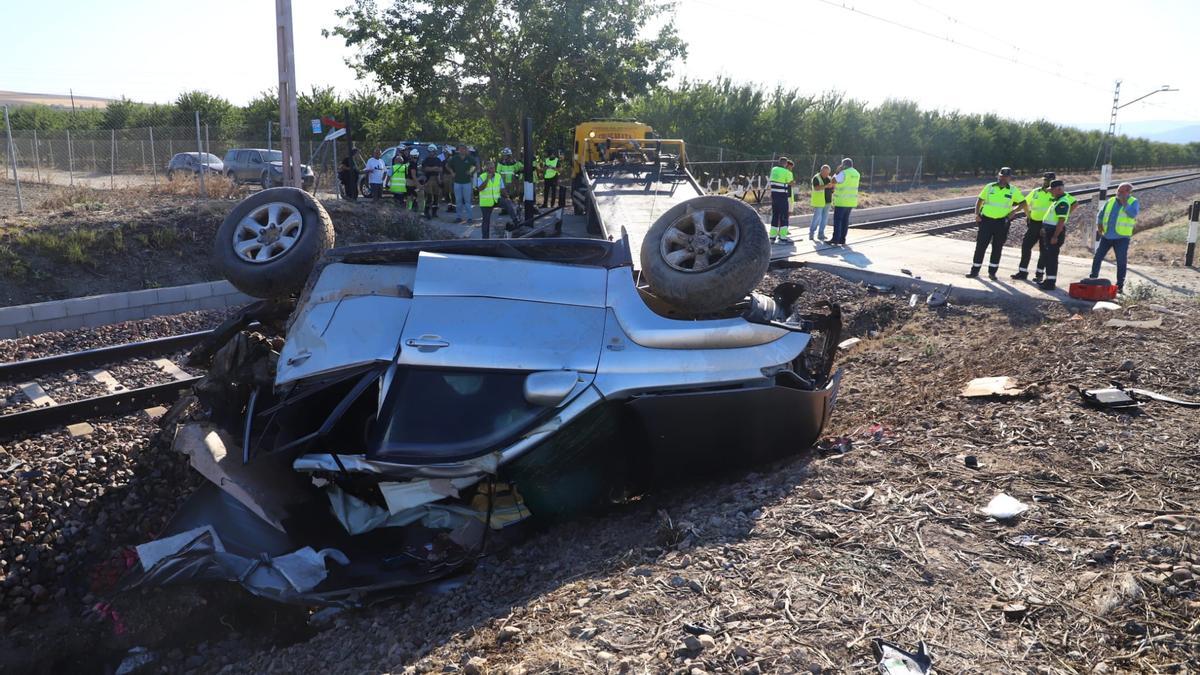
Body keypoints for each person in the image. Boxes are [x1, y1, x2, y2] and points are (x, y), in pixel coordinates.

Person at [966, 167, 1025, 279]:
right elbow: (980, 200)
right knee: (980, 246)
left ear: (1009, 178)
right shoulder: (990, 187)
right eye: (1002, 176)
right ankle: (974, 271)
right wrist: (977, 214)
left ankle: (992, 272)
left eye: (1006, 176)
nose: (1003, 178)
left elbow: (1023, 203)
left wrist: (1014, 211)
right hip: (986, 221)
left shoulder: (1013, 190)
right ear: (999, 176)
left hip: (1002, 222)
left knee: (997, 248)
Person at [1090, 182, 1140, 293]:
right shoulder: (1111, 201)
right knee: (1097, 257)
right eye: (1118, 190)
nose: (1119, 193)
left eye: (1122, 191)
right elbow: (1101, 215)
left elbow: (1133, 214)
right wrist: (1099, 226)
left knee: (1121, 261)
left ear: (1128, 192)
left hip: (1122, 238)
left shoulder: (1133, 202)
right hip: (1107, 236)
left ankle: (1119, 286)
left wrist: (1124, 203)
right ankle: (1093, 278)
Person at [1034, 179, 1078, 290]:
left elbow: (1061, 221)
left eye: (1052, 190)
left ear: (1058, 189)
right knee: (1048, 257)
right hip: (1049, 231)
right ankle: (1048, 280)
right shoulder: (1057, 200)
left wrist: (1055, 236)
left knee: (1051, 258)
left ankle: (1050, 283)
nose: (1050, 192)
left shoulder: (1062, 202)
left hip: (1053, 232)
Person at [1012, 172, 1056, 281]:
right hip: (1034, 223)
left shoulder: (1055, 195)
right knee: (1026, 246)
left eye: (1049, 180)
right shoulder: (1036, 192)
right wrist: (1028, 215)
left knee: (1043, 250)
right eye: (1045, 180)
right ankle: (1022, 272)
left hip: (1047, 225)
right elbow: (1024, 203)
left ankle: (1039, 274)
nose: (1046, 182)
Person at [828, 158, 860, 246]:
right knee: (845, 221)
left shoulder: (843, 173)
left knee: (838, 220)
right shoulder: (856, 173)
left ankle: (835, 239)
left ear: (844, 165)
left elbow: (833, 181)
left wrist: (837, 172)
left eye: (842, 165)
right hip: (851, 201)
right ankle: (842, 239)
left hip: (841, 201)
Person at [447, 143, 478, 224]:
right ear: (458, 150)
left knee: (468, 201)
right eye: (460, 149)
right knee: (458, 201)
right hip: (457, 182)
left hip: (467, 183)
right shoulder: (455, 158)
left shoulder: (469, 158)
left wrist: (471, 172)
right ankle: (458, 217)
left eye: (463, 149)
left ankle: (470, 218)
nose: (462, 150)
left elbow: (476, 166)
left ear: (466, 150)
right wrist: (452, 172)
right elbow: (447, 166)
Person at [765, 157, 794, 243]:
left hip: (774, 196)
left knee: (775, 216)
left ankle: (772, 237)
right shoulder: (787, 172)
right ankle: (782, 237)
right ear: (785, 164)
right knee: (784, 216)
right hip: (782, 197)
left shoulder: (774, 170)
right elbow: (790, 183)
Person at [476, 161, 505, 239]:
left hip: (496, 200)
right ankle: (485, 239)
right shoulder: (481, 177)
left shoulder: (498, 176)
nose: (493, 169)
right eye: (491, 168)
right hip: (486, 203)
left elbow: (502, 189)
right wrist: (487, 180)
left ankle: (515, 221)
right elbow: (479, 189)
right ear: (487, 169)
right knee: (486, 221)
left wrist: (507, 197)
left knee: (508, 204)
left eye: (493, 168)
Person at [809, 164, 833, 241]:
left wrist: (833, 188)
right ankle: (812, 233)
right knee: (816, 218)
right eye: (825, 172)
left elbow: (832, 189)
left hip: (827, 201)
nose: (826, 174)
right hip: (819, 202)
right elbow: (816, 188)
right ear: (821, 171)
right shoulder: (816, 178)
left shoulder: (829, 178)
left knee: (824, 219)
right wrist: (826, 186)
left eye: (827, 173)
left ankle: (821, 234)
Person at [420, 144, 444, 219]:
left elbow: (440, 170)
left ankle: (434, 212)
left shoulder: (438, 160)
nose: (430, 152)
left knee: (436, 197)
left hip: (436, 179)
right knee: (429, 197)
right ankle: (426, 212)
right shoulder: (426, 160)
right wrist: (434, 168)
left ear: (435, 151)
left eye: (432, 151)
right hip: (428, 180)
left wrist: (431, 169)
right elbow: (425, 169)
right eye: (429, 151)